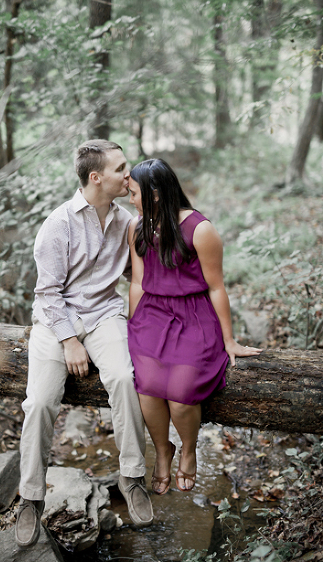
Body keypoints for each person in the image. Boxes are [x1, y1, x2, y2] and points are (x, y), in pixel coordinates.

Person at [15, 139, 153, 548]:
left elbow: (139, 276)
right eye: (121, 168)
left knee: (125, 380)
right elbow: (47, 293)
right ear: (97, 177)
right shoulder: (58, 224)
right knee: (40, 401)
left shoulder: (126, 220)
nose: (128, 175)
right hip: (57, 320)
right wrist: (70, 342)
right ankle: (30, 498)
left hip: (104, 315)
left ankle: (132, 477)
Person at [126, 158, 261, 496]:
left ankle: (188, 449)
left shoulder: (200, 229)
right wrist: (134, 325)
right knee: (147, 386)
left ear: (154, 193)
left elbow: (217, 287)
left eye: (133, 193)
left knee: (183, 394)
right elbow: (138, 282)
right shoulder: (137, 226)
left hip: (194, 316)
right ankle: (161, 452)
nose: (129, 200)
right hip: (152, 314)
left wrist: (229, 340)